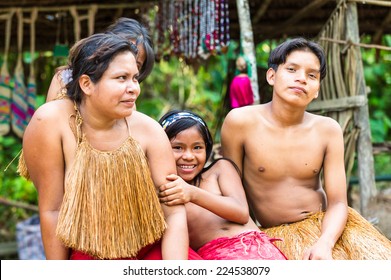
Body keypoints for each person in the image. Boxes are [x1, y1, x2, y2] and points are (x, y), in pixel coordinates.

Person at [21, 32, 192, 260]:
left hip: (154, 250)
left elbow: (174, 214)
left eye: (135, 78)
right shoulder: (51, 121)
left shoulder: (149, 131)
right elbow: (53, 210)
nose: (134, 88)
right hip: (90, 251)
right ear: (86, 84)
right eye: (121, 78)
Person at [221, 37, 391, 260]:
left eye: (312, 75)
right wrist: (256, 239)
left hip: (325, 229)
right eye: (292, 69)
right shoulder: (239, 122)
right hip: (271, 235)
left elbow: (339, 202)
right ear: (271, 76)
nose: (301, 79)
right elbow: (233, 194)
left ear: (317, 89)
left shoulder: (328, 130)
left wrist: (325, 243)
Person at [158, 110, 287, 260]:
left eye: (197, 147)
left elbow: (241, 213)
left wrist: (192, 193)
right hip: (217, 257)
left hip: (259, 251)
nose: (188, 156)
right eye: (178, 147)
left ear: (207, 148)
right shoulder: (166, 190)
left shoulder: (220, 170)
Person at [46, 17, 154, 102]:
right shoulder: (65, 78)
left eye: (136, 64)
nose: (127, 61)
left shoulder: (127, 98)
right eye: (121, 49)